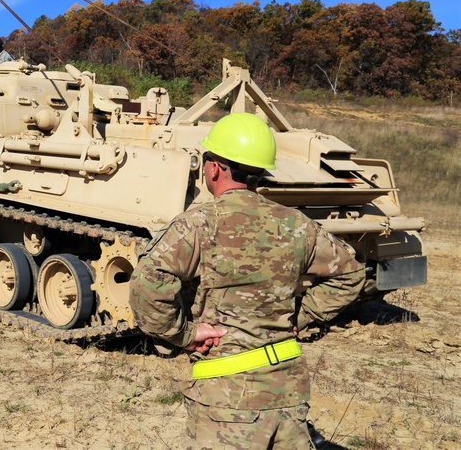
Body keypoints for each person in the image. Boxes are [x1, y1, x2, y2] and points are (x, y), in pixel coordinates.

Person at [127, 112, 365, 450]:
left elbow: (147, 285)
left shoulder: (197, 224)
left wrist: (185, 334)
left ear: (214, 168)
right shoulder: (296, 224)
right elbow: (351, 273)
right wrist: (301, 318)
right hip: (288, 390)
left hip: (226, 397)